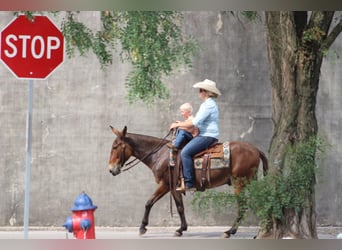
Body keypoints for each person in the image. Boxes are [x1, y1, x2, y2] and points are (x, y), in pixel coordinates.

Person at [169, 79, 221, 192]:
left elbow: (194, 122)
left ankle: (189, 183)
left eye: (201, 90)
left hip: (207, 136)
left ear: (207, 92)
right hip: (203, 134)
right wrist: (181, 125)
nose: (199, 92)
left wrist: (176, 125)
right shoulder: (207, 104)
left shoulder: (208, 105)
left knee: (185, 152)